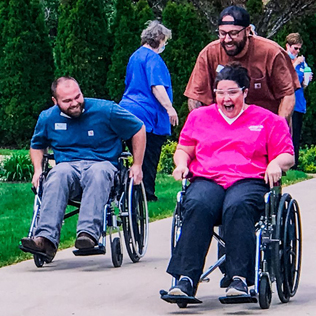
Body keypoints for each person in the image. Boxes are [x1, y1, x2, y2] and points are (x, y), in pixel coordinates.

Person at [165, 63, 294, 298]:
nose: (226, 98)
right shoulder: (199, 117)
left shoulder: (267, 120)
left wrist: (275, 163)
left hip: (248, 179)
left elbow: (287, 155)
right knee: (198, 205)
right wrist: (181, 164)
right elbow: (184, 149)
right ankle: (185, 279)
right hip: (207, 179)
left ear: (245, 92)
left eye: (232, 92)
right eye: (220, 93)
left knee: (238, 206)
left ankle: (239, 279)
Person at [21, 76, 146, 260]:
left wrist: (137, 165)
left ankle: (87, 235)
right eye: (67, 100)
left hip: (102, 164)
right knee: (57, 174)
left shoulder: (106, 110)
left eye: (77, 97)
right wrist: (38, 170)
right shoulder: (48, 118)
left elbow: (138, 129)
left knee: (98, 172)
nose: (75, 103)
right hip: (67, 167)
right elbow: (37, 145)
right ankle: (45, 240)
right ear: (55, 101)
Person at [185, 6, 300, 124]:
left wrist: (279, 127)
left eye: (233, 33)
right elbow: (196, 98)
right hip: (224, 130)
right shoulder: (209, 53)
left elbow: (288, 95)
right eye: (222, 33)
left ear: (247, 30)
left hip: (265, 127)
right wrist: (204, 128)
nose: (227, 39)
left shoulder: (271, 52)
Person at [119, 20, 178, 202]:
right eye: (164, 41)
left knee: (133, 154)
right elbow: (156, 86)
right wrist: (170, 109)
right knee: (149, 156)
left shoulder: (135, 56)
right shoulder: (153, 59)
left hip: (128, 108)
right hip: (147, 114)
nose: (164, 45)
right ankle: (146, 195)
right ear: (159, 39)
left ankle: (129, 190)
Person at [286, 33, 312, 169]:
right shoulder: (284, 60)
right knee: (286, 134)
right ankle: (286, 164)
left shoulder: (302, 63)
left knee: (296, 135)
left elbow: (303, 82)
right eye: (295, 48)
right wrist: (295, 63)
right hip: (287, 104)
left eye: (299, 49)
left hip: (299, 103)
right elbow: (286, 79)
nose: (297, 52)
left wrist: (307, 79)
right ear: (288, 46)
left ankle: (294, 165)